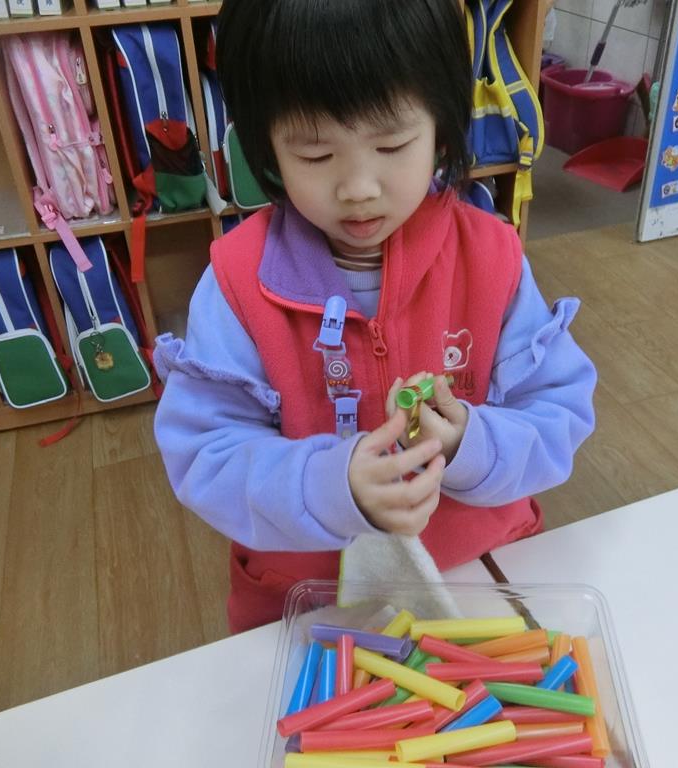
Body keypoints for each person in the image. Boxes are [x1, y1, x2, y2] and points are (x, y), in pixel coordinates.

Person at [154, 0, 597, 633]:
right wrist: (329, 487)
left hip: (482, 587)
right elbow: (204, 454)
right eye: (314, 155)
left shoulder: (491, 257)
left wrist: (470, 445)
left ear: (442, 127)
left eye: (391, 144)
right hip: (316, 608)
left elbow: (559, 411)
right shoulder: (237, 281)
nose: (358, 187)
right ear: (265, 148)